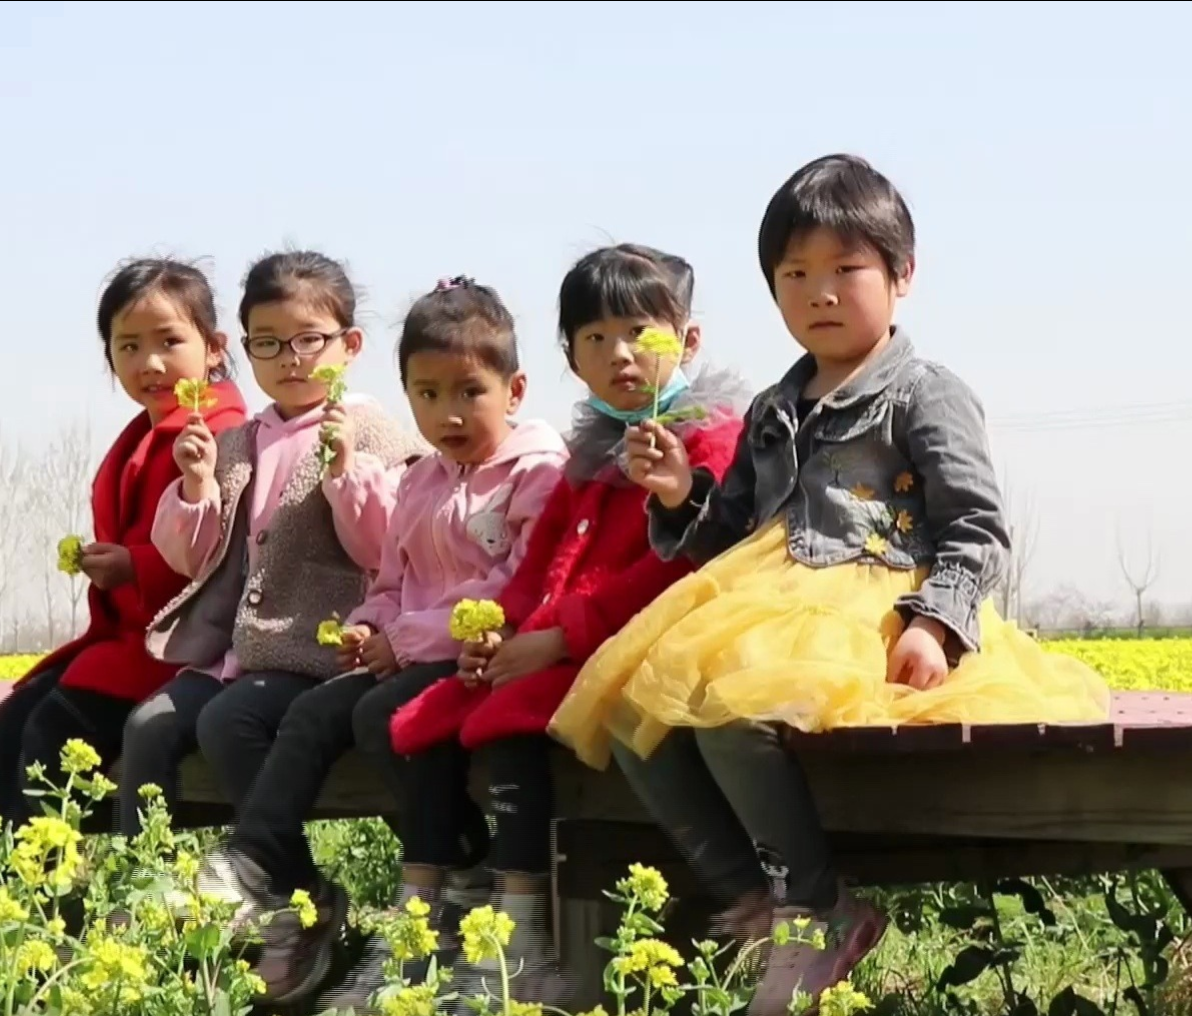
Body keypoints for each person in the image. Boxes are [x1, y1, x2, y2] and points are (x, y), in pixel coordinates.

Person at [549, 154, 1112, 1015]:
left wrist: (935, 625)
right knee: (634, 715)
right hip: (768, 596)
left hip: (878, 603)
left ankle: (811, 910)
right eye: (795, 275)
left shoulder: (923, 393)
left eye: (846, 269)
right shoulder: (774, 405)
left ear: (902, 275)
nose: (820, 293)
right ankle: (760, 903)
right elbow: (729, 535)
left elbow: (975, 526)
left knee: (733, 716)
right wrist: (678, 494)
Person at [367, 244, 748, 1009]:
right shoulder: (593, 449)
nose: (620, 355)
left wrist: (561, 636)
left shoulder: (708, 437)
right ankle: (432, 926)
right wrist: (499, 629)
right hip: (561, 641)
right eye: (595, 338)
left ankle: (520, 942)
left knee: (507, 720)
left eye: (640, 333)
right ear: (571, 357)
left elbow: (678, 569)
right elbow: (540, 559)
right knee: (424, 715)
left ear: (688, 341)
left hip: (636, 649)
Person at [201, 276, 569, 1005]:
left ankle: (449, 886)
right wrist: (371, 623)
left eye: (470, 392)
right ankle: (258, 854)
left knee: (383, 715)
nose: (448, 413)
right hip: (412, 650)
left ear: (516, 390)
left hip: (484, 656)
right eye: (427, 394)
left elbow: (516, 586)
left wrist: (403, 637)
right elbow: (392, 579)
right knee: (315, 712)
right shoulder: (423, 481)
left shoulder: (536, 472)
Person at [0, 257, 249, 933]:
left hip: (186, 646)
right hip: (132, 639)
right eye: (127, 346)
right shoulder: (146, 432)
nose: (149, 363)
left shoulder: (217, 433)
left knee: (55, 725)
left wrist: (137, 566)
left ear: (215, 348)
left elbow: (223, 550)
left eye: (169, 341)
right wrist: (118, 563)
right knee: (14, 718)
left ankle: (23, 895)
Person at [130, 249, 423, 842]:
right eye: (267, 343)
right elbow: (195, 561)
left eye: (309, 340)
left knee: (227, 722)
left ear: (350, 345)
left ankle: (278, 875)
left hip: (323, 654)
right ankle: (142, 875)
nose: (290, 358)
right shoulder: (240, 441)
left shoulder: (369, 431)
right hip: (240, 655)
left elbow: (384, 550)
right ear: (246, 348)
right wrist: (196, 484)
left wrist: (345, 472)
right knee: (148, 725)